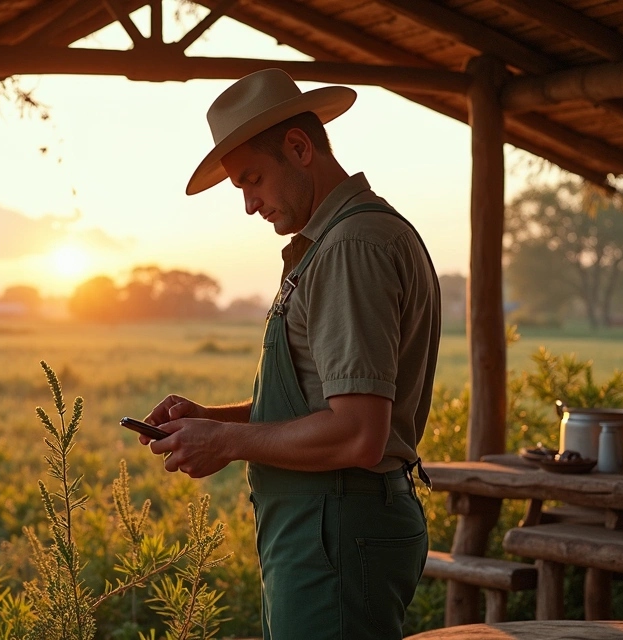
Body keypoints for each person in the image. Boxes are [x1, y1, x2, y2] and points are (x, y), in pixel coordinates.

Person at [140, 68, 441, 639]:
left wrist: (226, 443)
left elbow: (357, 433)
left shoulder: (352, 246)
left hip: (337, 530)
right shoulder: (334, 242)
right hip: (324, 528)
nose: (250, 205)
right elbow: (319, 408)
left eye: (253, 179)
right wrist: (212, 420)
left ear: (300, 148)